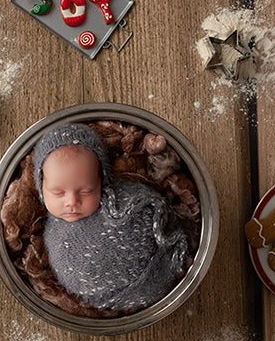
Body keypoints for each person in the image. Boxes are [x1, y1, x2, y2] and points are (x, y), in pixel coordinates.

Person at [32, 123, 188, 312]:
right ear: (41, 188)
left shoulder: (124, 199)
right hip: (106, 296)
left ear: (102, 180)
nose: (72, 201)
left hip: (157, 269)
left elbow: (155, 206)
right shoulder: (53, 234)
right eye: (58, 192)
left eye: (86, 190)